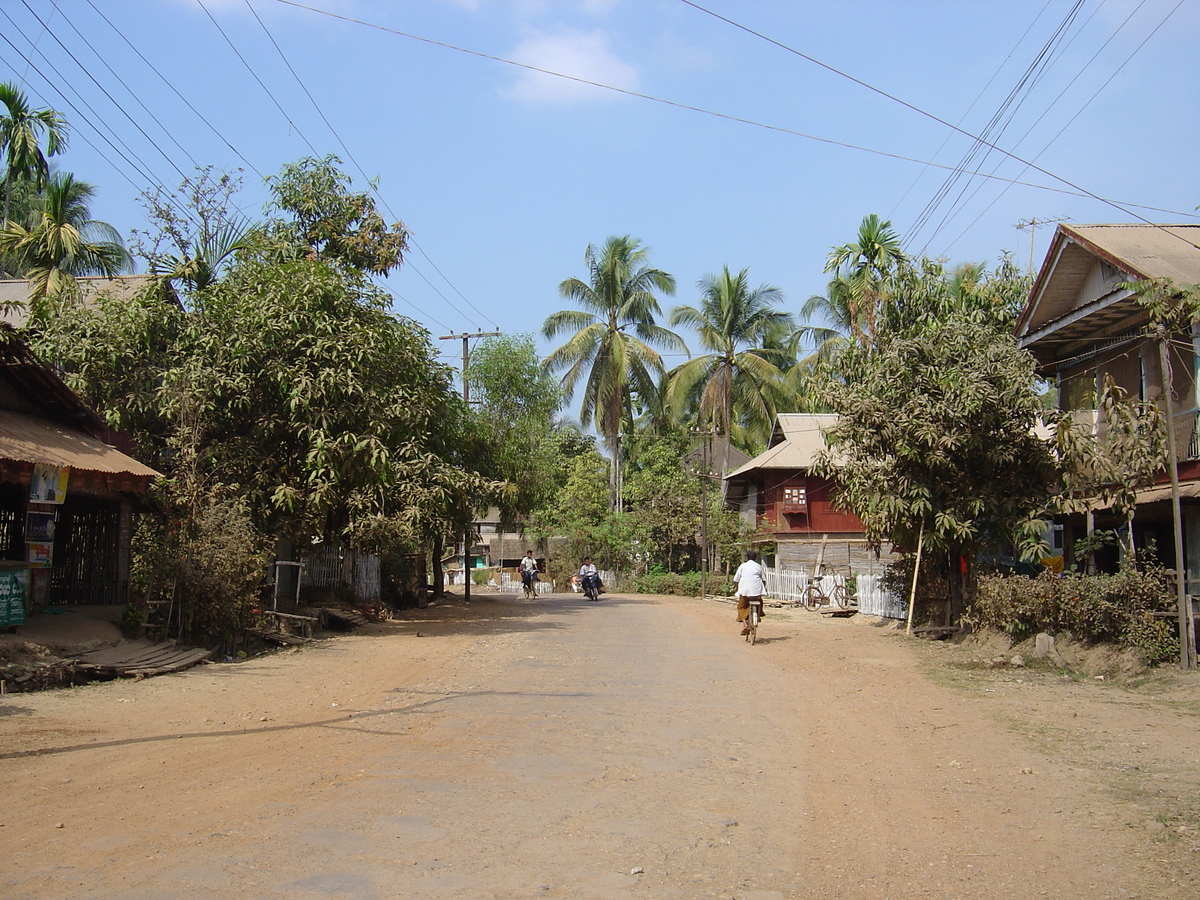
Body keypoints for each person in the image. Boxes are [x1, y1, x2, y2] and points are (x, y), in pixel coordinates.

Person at [733, 550, 766, 636]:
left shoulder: (743, 566)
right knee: (760, 602)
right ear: (755, 558)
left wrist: (738, 589)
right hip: (757, 592)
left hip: (745, 592)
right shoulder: (759, 566)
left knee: (741, 606)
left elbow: (736, 580)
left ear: (747, 557)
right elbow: (764, 579)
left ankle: (745, 624)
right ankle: (758, 616)